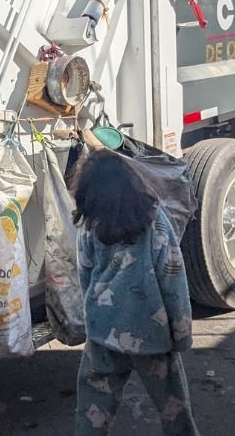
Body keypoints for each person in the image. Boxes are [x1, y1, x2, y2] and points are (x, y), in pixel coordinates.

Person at [71, 149, 200, 436]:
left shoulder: (89, 225)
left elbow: (85, 276)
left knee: (92, 409)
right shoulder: (154, 220)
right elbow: (173, 279)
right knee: (174, 408)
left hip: (104, 336)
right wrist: (182, 333)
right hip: (151, 335)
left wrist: (92, 319)